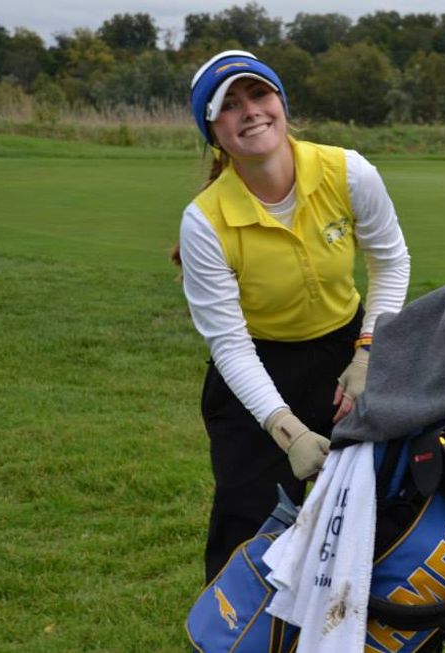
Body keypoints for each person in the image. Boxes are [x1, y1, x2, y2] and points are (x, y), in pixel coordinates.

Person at [176, 50, 410, 582]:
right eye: (229, 105)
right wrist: (287, 431)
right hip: (258, 371)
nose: (249, 111)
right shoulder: (204, 222)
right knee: (248, 529)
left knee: (373, 514)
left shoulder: (347, 171)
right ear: (214, 133)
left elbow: (390, 261)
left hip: (347, 352)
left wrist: (368, 352)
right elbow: (231, 345)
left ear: (281, 102)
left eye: (259, 94)